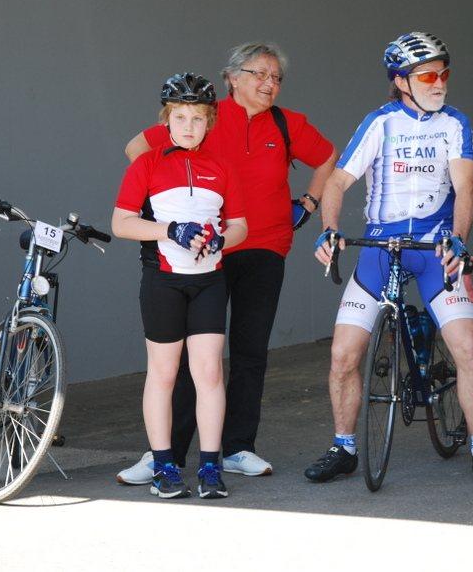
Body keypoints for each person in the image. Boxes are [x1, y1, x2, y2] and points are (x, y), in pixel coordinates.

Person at [117, 44, 337, 485]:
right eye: (260, 74)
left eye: (276, 77)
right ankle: (168, 454)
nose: (269, 83)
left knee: (250, 350)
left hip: (265, 245)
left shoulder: (287, 123)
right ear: (233, 77)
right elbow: (137, 149)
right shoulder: (202, 115)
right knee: (189, 359)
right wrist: (168, 203)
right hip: (199, 257)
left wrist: (310, 202)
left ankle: (237, 448)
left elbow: (329, 157)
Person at [304, 31, 473, 483]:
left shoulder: (455, 123)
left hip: (435, 247)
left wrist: (458, 238)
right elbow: (336, 182)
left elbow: (466, 187)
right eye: (428, 76)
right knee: (343, 354)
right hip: (381, 247)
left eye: (444, 74)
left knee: (467, 348)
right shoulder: (380, 123)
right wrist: (329, 229)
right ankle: (343, 446)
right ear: (400, 81)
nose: (440, 83)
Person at [112, 73, 249, 499]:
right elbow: (121, 224)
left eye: (198, 118)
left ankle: (209, 466)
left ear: (210, 122)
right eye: (180, 117)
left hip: (209, 280)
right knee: (164, 373)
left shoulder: (222, 167)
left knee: (209, 372)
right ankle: (164, 465)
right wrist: (171, 229)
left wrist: (221, 239)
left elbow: (240, 225)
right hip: (163, 281)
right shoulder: (146, 164)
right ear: (166, 120)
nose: (189, 126)